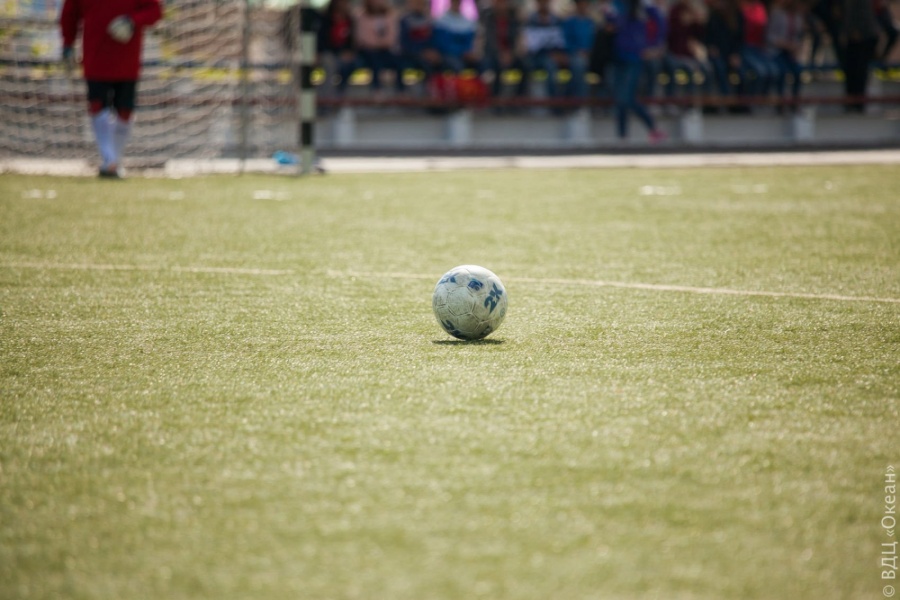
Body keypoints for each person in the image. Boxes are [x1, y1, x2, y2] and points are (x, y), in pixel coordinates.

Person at [59, 0, 162, 178]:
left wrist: (132, 20)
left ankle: (114, 160)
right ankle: (109, 160)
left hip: (127, 60)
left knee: (125, 110)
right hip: (95, 58)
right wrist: (68, 43)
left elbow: (155, 11)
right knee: (98, 107)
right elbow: (69, 14)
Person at [610, 0, 667, 141]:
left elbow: (659, 22)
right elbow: (613, 21)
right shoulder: (618, 5)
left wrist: (653, 45)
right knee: (621, 99)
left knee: (626, 98)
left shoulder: (643, 6)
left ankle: (651, 128)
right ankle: (623, 136)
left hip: (634, 58)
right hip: (618, 57)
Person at [665, 0, 711, 103]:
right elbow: (671, 36)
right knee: (685, 69)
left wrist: (699, 22)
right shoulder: (674, 11)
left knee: (707, 69)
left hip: (690, 53)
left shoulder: (692, 10)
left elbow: (699, 35)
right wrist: (682, 23)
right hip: (675, 53)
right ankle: (678, 101)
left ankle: (706, 102)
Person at [480, 0, 528, 97]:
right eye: (498, 3)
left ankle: (519, 97)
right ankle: (495, 98)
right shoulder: (488, 19)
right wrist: (499, 54)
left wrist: (511, 54)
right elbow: (489, 40)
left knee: (526, 65)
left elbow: (517, 39)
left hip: (511, 54)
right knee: (492, 66)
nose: (501, 5)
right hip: (493, 54)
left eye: (503, 2)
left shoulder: (513, 19)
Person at [838, 0, 879, 113]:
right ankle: (853, 102)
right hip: (857, 36)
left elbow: (860, 14)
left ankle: (857, 103)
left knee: (859, 71)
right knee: (852, 71)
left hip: (862, 37)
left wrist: (855, 31)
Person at [522, 0, 568, 99]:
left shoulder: (557, 20)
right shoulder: (530, 20)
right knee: (549, 64)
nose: (544, 4)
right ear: (537, 3)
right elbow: (531, 45)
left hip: (555, 55)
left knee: (573, 63)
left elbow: (560, 41)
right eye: (541, 1)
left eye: (546, 1)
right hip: (536, 56)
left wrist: (559, 53)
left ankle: (566, 101)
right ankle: (553, 102)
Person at [767, 0, 806, 110]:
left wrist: (795, 48)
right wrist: (785, 44)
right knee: (782, 72)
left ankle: (795, 101)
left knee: (798, 71)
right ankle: (780, 103)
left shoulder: (798, 18)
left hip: (791, 53)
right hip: (776, 51)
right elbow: (770, 36)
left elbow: (798, 37)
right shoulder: (777, 15)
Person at [705, 0, 745, 108]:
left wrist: (736, 54)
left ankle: (741, 103)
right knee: (719, 68)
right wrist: (711, 47)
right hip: (717, 53)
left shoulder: (737, 16)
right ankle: (727, 99)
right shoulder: (714, 16)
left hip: (732, 53)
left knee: (742, 72)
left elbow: (740, 39)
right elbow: (707, 37)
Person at [355, 0, 400, 93]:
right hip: (367, 50)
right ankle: (376, 89)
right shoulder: (362, 17)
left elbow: (392, 36)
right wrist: (376, 44)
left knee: (398, 61)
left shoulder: (390, 16)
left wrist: (383, 43)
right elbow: (362, 37)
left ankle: (401, 91)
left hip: (385, 49)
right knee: (375, 58)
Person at [398, 0, 443, 92]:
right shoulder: (405, 21)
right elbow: (404, 43)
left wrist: (433, 51)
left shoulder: (429, 22)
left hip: (428, 53)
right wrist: (422, 52)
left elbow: (433, 40)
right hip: (410, 53)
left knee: (441, 62)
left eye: (421, 3)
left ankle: (439, 90)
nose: (419, 5)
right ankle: (425, 91)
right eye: (416, 3)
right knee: (425, 64)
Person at [317, 0, 358, 96]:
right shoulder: (326, 19)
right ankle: (327, 97)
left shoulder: (349, 20)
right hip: (328, 52)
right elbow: (322, 40)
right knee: (330, 64)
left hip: (343, 53)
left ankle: (341, 94)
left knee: (353, 62)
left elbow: (351, 41)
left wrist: (349, 52)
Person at [740, 0, 779, 102]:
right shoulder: (742, 8)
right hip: (746, 48)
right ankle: (752, 99)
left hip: (760, 48)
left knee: (774, 71)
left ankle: (763, 97)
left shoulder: (760, 8)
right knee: (761, 72)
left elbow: (764, 27)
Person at [432, 0, 481, 73]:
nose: (456, 4)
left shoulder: (468, 22)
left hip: (466, 55)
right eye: (454, 2)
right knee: (457, 65)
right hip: (447, 55)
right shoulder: (441, 21)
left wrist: (470, 53)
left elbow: (469, 42)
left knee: (481, 64)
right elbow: (442, 44)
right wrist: (462, 52)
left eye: (458, 2)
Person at [562, 0, 595, 98]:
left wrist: (590, 51)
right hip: (574, 54)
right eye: (581, 4)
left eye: (585, 4)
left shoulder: (591, 22)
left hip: (591, 55)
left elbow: (595, 41)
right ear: (576, 5)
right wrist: (578, 51)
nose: (583, 6)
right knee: (579, 65)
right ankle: (579, 100)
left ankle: (604, 101)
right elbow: (565, 41)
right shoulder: (569, 22)